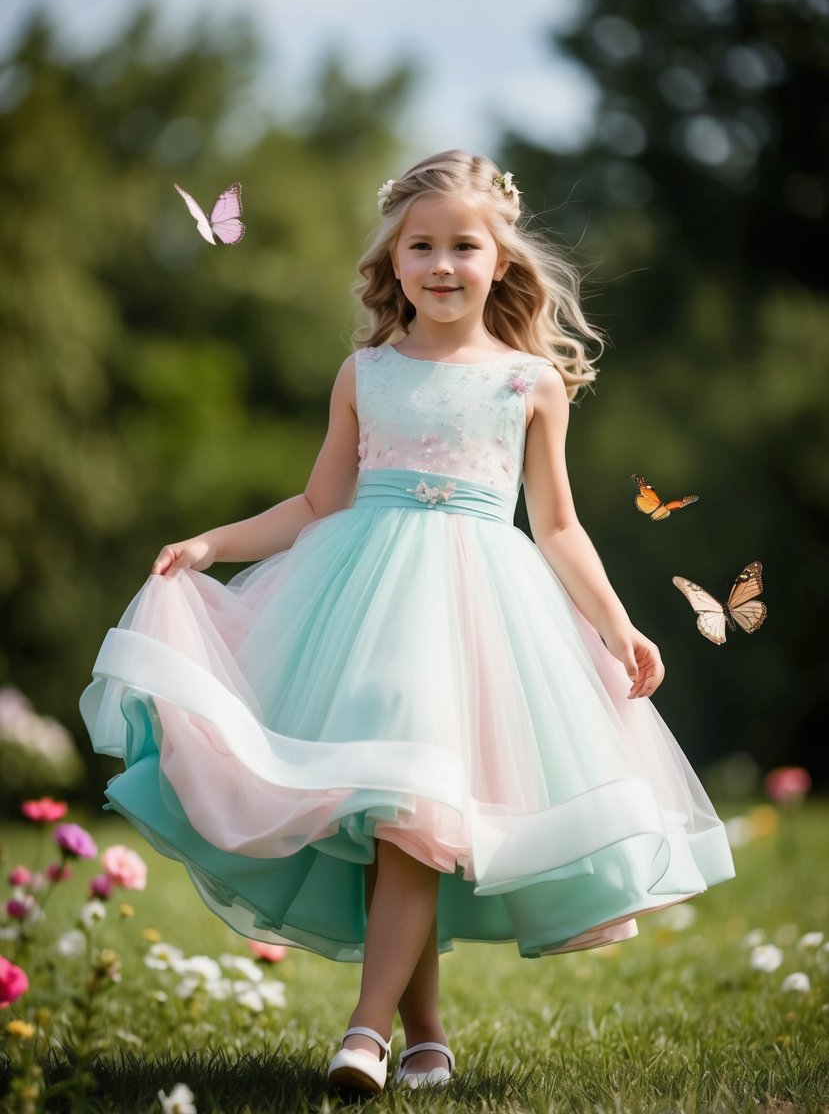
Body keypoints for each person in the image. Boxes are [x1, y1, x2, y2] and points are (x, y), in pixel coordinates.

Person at [81, 150, 735, 1095]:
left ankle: (369, 1032)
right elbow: (315, 505)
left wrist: (617, 625)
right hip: (363, 606)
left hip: (478, 616)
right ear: (391, 263)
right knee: (398, 812)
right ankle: (416, 1033)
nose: (440, 264)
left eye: (462, 246)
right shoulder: (367, 373)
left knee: (414, 820)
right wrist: (213, 544)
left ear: (500, 261)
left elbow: (555, 524)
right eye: (418, 246)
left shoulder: (528, 383)